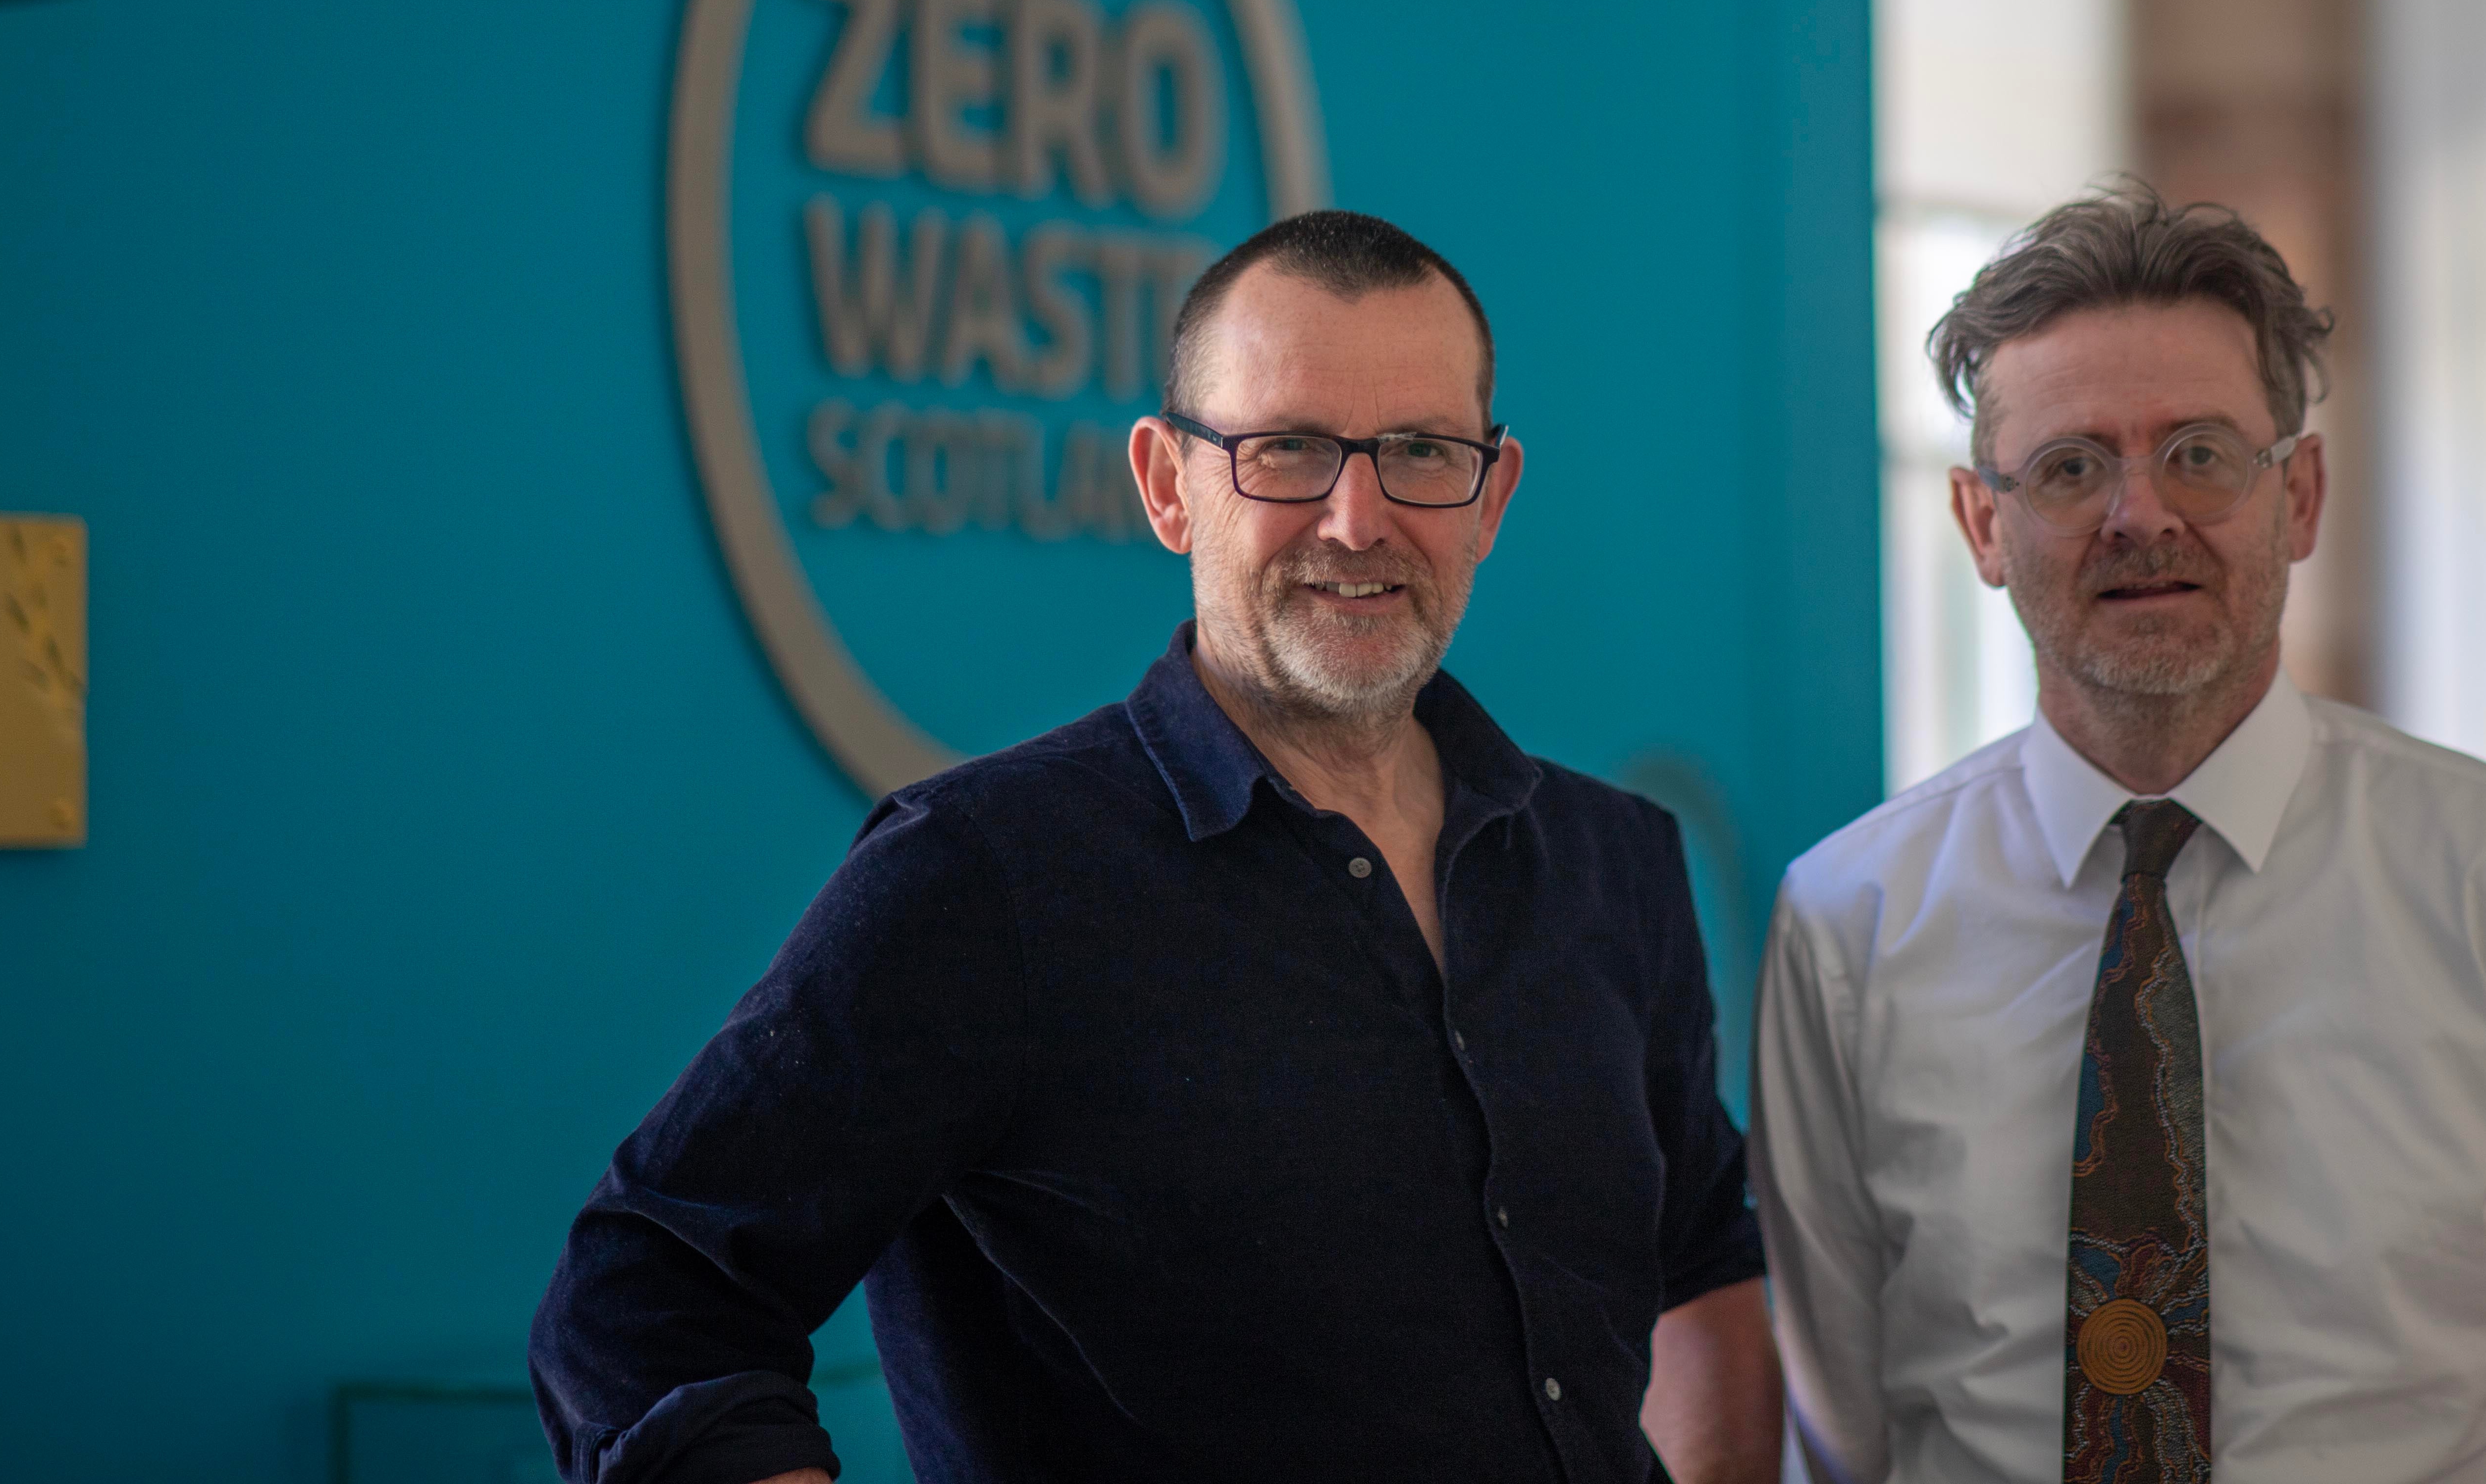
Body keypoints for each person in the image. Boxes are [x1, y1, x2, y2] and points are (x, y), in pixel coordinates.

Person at [533, 209, 1783, 1484]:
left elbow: (1698, 1258)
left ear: (1492, 495)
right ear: (1169, 485)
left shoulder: (1614, 865)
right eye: (1288, 449)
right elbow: (643, 1299)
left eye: (1421, 451)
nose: (1357, 520)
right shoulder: (984, 876)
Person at [1750, 185, 2486, 1484]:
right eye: (2070, 468)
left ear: (2302, 496)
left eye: (2202, 454)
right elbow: (1843, 1435)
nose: (2141, 515)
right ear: (1984, 525)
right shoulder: (1847, 926)